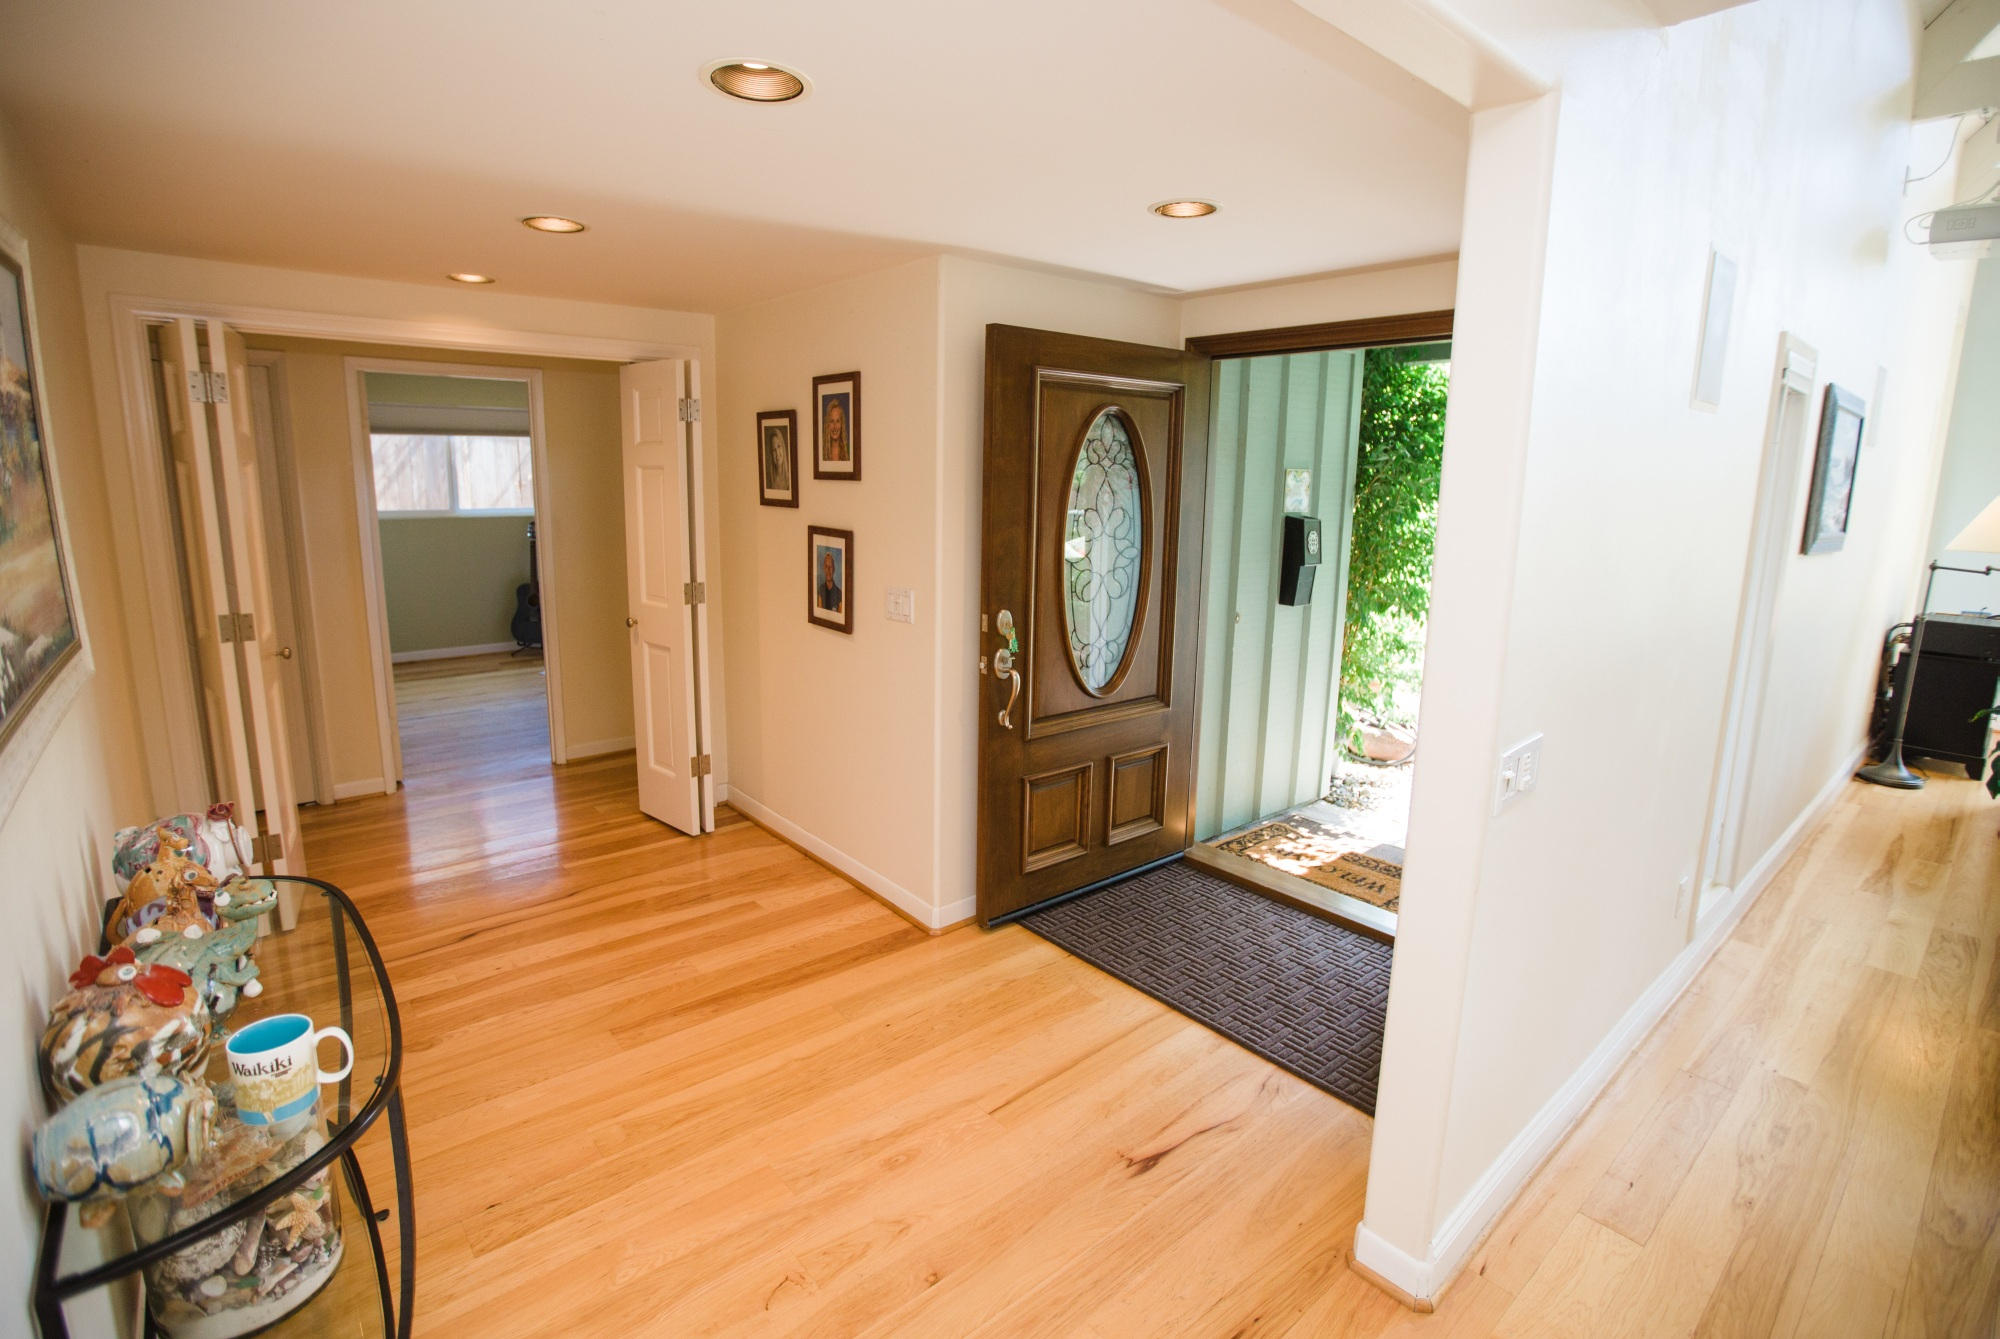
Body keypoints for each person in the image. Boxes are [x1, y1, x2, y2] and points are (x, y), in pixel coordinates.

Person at [763, 426, 791, 493]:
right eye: (773, 450)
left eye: (779, 446)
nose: (777, 453)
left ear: (783, 448)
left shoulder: (789, 480)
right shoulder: (768, 480)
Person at [822, 397, 849, 463]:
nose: (835, 426)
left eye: (837, 421)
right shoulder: (822, 452)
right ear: (827, 425)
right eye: (831, 421)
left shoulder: (849, 452)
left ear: (842, 424)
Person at [817, 548, 842, 614]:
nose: (828, 570)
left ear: (834, 569)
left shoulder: (839, 594)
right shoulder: (820, 590)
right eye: (826, 566)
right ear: (824, 569)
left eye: (830, 567)